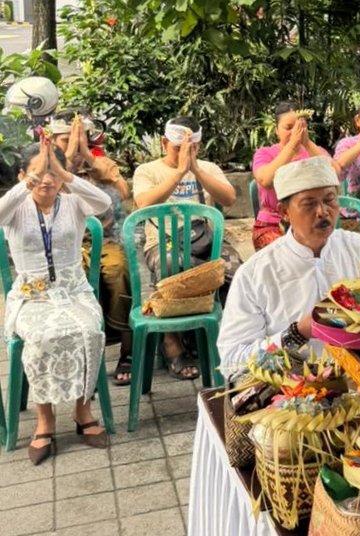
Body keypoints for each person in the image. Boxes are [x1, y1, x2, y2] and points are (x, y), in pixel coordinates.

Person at [217, 156, 360, 373]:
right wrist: (297, 333)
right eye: (309, 204)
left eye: (329, 200)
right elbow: (233, 362)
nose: (322, 211)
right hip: (293, 385)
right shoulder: (255, 273)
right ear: (284, 212)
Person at [0, 140, 112, 464]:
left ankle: (82, 410)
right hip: (31, 297)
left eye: (53, 173)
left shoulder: (74, 201)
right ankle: (45, 419)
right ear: (22, 175)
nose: (46, 180)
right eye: (38, 173)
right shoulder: (15, 207)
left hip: (74, 291)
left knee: (89, 331)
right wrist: (31, 180)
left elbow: (104, 203)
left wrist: (65, 174)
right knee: (41, 336)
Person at [133, 115, 240, 381]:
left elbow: (229, 198)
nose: (184, 154)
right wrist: (180, 172)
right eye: (177, 148)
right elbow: (143, 203)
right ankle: (172, 342)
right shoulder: (147, 171)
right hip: (163, 245)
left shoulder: (208, 168)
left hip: (205, 241)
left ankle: (229, 338)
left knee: (238, 273)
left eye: (190, 149)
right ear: (164, 143)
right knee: (173, 265)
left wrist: (196, 170)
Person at [50, 110, 134, 385]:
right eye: (66, 140)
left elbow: (123, 191)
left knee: (119, 271)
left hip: (106, 240)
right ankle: (81, 355)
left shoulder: (101, 163)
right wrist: (66, 160)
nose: (74, 146)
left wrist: (87, 156)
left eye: (79, 139)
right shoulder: (47, 167)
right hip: (66, 247)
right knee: (74, 281)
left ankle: (128, 351)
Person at [252, 103, 330, 250]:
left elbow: (333, 173)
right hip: (273, 224)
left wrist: (307, 143)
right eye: (288, 128)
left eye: (299, 127)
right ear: (276, 130)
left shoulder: (314, 151)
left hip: (311, 221)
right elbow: (265, 180)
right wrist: (292, 146)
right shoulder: (265, 153)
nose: (295, 132)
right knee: (288, 254)